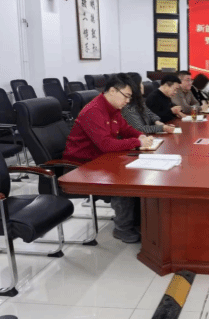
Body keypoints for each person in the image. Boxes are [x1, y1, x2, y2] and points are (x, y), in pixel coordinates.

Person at [63, 74, 154, 244]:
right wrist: (137, 142)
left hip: (100, 159)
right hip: (81, 166)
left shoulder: (112, 109)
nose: (128, 101)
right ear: (112, 91)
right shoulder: (94, 111)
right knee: (124, 180)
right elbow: (106, 145)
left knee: (137, 171)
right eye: (126, 96)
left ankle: (136, 219)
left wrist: (140, 136)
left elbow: (125, 128)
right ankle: (122, 228)